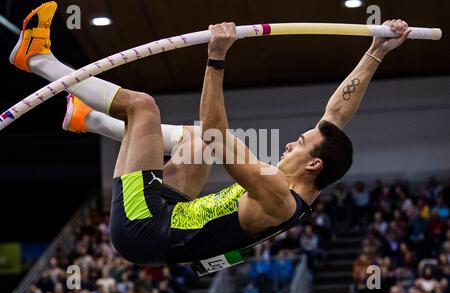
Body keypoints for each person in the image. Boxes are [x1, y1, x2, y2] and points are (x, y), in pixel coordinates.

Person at [11, 2, 411, 272]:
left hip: (145, 229)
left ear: (313, 163)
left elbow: (216, 133)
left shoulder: (275, 189)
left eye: (299, 143)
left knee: (144, 107)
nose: (290, 143)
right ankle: (91, 121)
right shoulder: (305, 193)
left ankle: (36, 57)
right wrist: (377, 51)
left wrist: (216, 58)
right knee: (196, 144)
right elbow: (336, 113)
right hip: (171, 217)